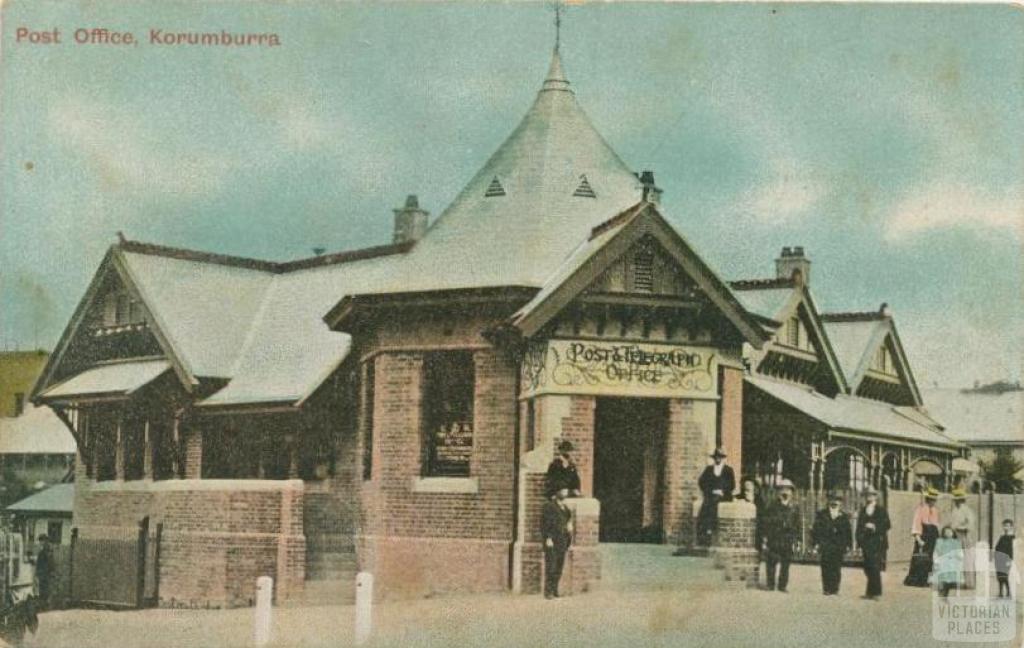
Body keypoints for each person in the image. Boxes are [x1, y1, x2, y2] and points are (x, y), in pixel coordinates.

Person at [761, 479, 801, 592]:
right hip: (775, 537)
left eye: (788, 490)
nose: (785, 492)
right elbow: (766, 522)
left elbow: (797, 525)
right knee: (771, 562)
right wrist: (766, 536)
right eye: (782, 489)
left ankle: (782, 585)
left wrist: (797, 540)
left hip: (788, 538)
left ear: (791, 492)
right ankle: (770, 584)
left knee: (786, 563)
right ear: (778, 492)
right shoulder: (772, 506)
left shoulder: (794, 507)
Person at [812, 492, 853, 595]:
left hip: (838, 545)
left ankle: (835, 588)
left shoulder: (843, 516)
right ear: (828, 501)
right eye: (832, 499)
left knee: (837, 566)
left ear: (840, 503)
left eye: (837, 500)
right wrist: (816, 543)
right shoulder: (822, 514)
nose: (835, 502)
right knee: (825, 566)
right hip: (826, 544)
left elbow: (848, 531)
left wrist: (848, 545)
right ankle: (826, 588)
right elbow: (816, 529)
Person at [856, 486, 891, 600]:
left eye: (872, 495)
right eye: (868, 495)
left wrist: (875, 526)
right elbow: (859, 526)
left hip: (877, 541)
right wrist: (859, 541)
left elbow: (887, 524)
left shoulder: (881, 510)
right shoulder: (863, 510)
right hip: (866, 542)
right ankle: (870, 592)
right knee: (867, 567)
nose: (869, 497)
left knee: (875, 566)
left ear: (876, 497)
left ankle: (876, 592)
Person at [696, 447, 736, 546]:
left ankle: (710, 527)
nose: (718, 459)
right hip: (711, 494)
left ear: (722, 458)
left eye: (720, 457)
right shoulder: (709, 469)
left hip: (723, 495)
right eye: (716, 457)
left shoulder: (728, 470)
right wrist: (709, 490)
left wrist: (723, 491)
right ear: (714, 458)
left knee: (714, 501)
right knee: (706, 504)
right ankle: (703, 530)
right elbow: (701, 482)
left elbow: (732, 485)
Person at [904, 486, 941, 587]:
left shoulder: (935, 510)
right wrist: (918, 539)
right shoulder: (920, 509)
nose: (933, 502)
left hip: (932, 538)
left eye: (935, 500)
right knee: (920, 558)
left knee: (930, 559)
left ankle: (926, 579)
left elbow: (936, 525)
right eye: (931, 499)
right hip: (923, 537)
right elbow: (916, 524)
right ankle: (917, 580)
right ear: (928, 499)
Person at [541, 487, 574, 599]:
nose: (566, 492)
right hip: (552, 541)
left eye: (566, 490)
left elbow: (568, 520)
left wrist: (569, 528)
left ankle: (555, 590)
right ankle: (548, 591)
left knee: (559, 566)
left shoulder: (565, 508)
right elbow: (545, 524)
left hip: (563, 540)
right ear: (557, 492)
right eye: (563, 490)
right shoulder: (549, 506)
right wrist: (548, 538)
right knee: (551, 566)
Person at [949, 488, 977, 588]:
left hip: (965, 536)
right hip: (955, 535)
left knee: (967, 558)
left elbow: (970, 524)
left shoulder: (967, 510)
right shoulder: (954, 510)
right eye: (956, 500)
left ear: (962, 500)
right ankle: (956, 581)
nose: (957, 502)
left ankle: (969, 582)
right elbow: (952, 523)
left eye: (959, 500)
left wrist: (961, 527)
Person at [933, 526, 963, 598]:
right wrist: (936, 561)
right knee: (942, 579)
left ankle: (947, 594)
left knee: (950, 580)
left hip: (952, 564)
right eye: (946, 532)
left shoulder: (956, 542)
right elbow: (936, 552)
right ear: (943, 533)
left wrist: (959, 558)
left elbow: (960, 553)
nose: (948, 533)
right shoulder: (940, 541)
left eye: (950, 532)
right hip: (942, 563)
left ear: (953, 533)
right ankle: (941, 593)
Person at [994, 519, 1015, 598]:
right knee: (999, 576)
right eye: (1004, 526)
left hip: (1006, 560)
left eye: (1007, 526)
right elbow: (997, 548)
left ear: (1011, 527)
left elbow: (1012, 550)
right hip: (999, 559)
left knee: (1005, 576)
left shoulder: (1012, 538)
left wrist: (1010, 560)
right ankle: (1000, 592)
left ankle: (1008, 592)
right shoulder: (1002, 537)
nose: (1006, 527)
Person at [33, 535, 51, 609]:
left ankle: (44, 604)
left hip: (44, 573)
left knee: (44, 589)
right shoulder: (44, 550)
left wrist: (40, 572)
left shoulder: (46, 550)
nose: (40, 542)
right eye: (40, 541)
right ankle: (44, 604)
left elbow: (47, 562)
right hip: (43, 573)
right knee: (43, 588)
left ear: (45, 541)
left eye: (41, 540)